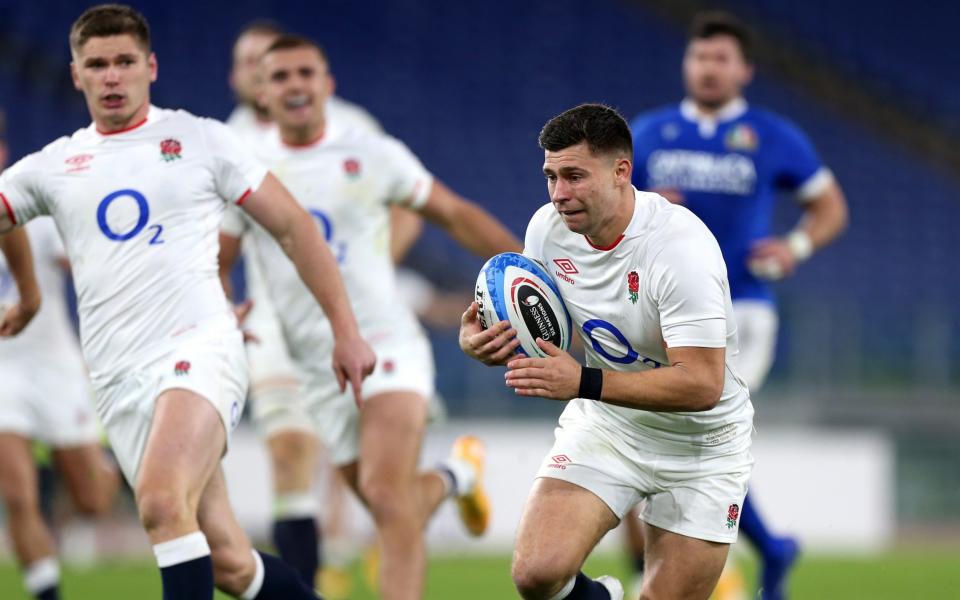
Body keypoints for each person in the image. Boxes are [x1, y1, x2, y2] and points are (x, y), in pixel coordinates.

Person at [0, 5, 376, 599]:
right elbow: (5, 216)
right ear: (76, 75)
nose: (112, 76)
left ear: (150, 67)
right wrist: (28, 293)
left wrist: (346, 331)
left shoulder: (201, 140)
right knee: (228, 561)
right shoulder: (54, 165)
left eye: (125, 61)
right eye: (97, 65)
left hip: (199, 348)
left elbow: (295, 227)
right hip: (116, 378)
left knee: (159, 501)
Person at [218, 35, 522, 600]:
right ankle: (458, 474)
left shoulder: (369, 152)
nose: (295, 85)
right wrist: (219, 309)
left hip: (386, 343)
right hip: (315, 366)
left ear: (328, 84)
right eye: (279, 76)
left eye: (305, 72)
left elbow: (452, 212)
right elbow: (220, 257)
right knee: (394, 505)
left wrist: (528, 267)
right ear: (262, 90)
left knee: (386, 500)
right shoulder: (244, 166)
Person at [460, 103, 755, 600]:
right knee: (536, 574)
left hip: (702, 446)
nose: (559, 194)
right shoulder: (547, 231)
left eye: (574, 176)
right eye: (551, 176)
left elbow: (704, 384)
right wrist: (486, 340)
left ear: (622, 172)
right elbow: (542, 323)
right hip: (609, 425)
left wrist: (582, 383)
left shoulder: (679, 249)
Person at [629, 11, 849, 599]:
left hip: (743, 309)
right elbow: (609, 213)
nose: (708, 68)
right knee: (679, 429)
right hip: (666, 310)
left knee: (700, 416)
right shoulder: (649, 134)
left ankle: (759, 553)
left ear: (745, 70)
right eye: (700, 57)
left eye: (721, 59)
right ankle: (769, 549)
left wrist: (796, 245)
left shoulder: (773, 135)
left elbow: (830, 206)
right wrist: (642, 204)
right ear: (686, 64)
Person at [225, 22, 423, 593]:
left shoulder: (354, 127)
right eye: (251, 63)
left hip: (357, 321)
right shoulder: (229, 142)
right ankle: (313, 583)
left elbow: (409, 202)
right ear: (246, 77)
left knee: (376, 483)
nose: (265, 72)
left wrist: (376, 263)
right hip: (273, 318)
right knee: (289, 453)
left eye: (278, 61)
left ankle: (448, 481)